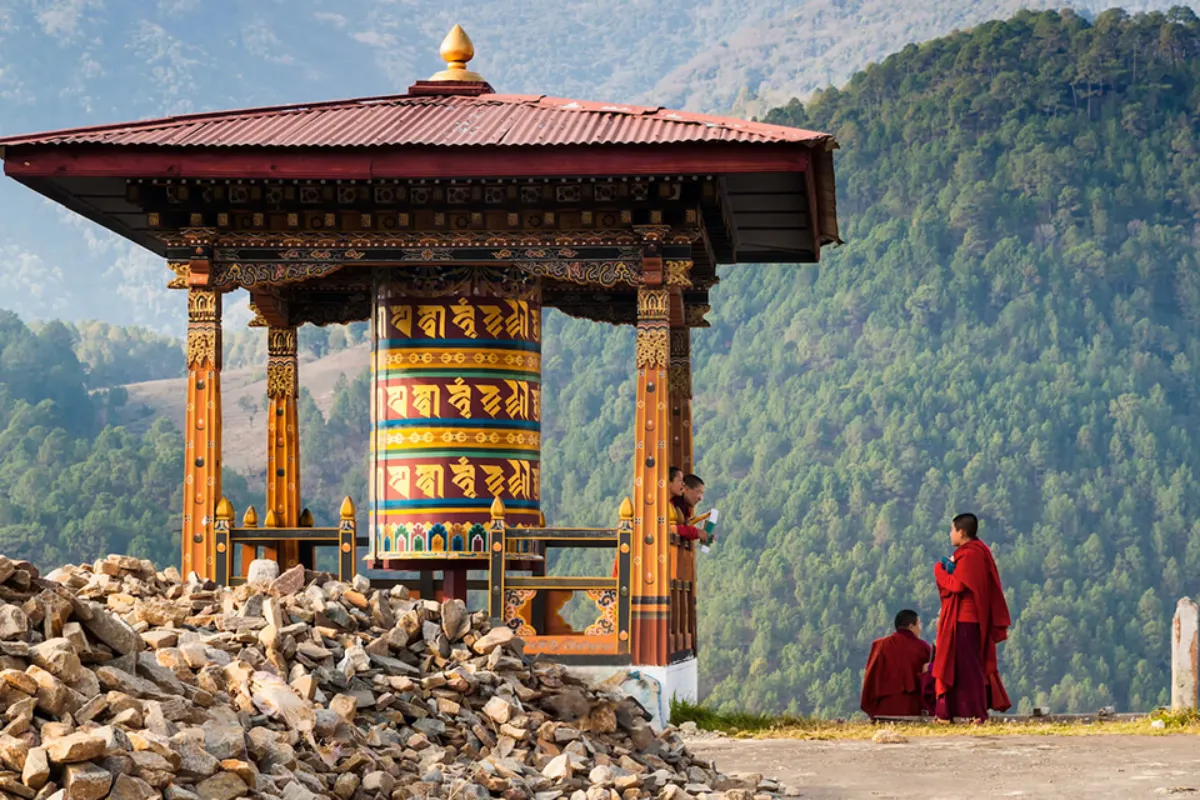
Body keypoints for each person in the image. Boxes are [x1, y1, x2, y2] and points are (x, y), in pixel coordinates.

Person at [932, 513, 1012, 723]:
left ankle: (977, 713)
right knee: (959, 666)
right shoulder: (975, 552)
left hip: (965, 620)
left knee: (968, 667)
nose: (950, 534)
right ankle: (952, 712)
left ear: (961, 532)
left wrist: (939, 571)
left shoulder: (971, 555)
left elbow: (957, 586)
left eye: (952, 530)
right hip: (965, 618)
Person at [860, 610, 934, 719]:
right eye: (919, 624)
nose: (920, 628)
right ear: (911, 626)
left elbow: (870, 677)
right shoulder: (922, 647)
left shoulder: (880, 645)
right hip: (912, 709)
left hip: (883, 710)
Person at [672, 472, 709, 544]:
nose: (700, 498)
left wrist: (703, 535)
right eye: (698, 492)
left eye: (702, 494)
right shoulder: (671, 503)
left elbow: (684, 530)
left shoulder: (684, 508)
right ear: (685, 489)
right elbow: (669, 528)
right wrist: (697, 532)